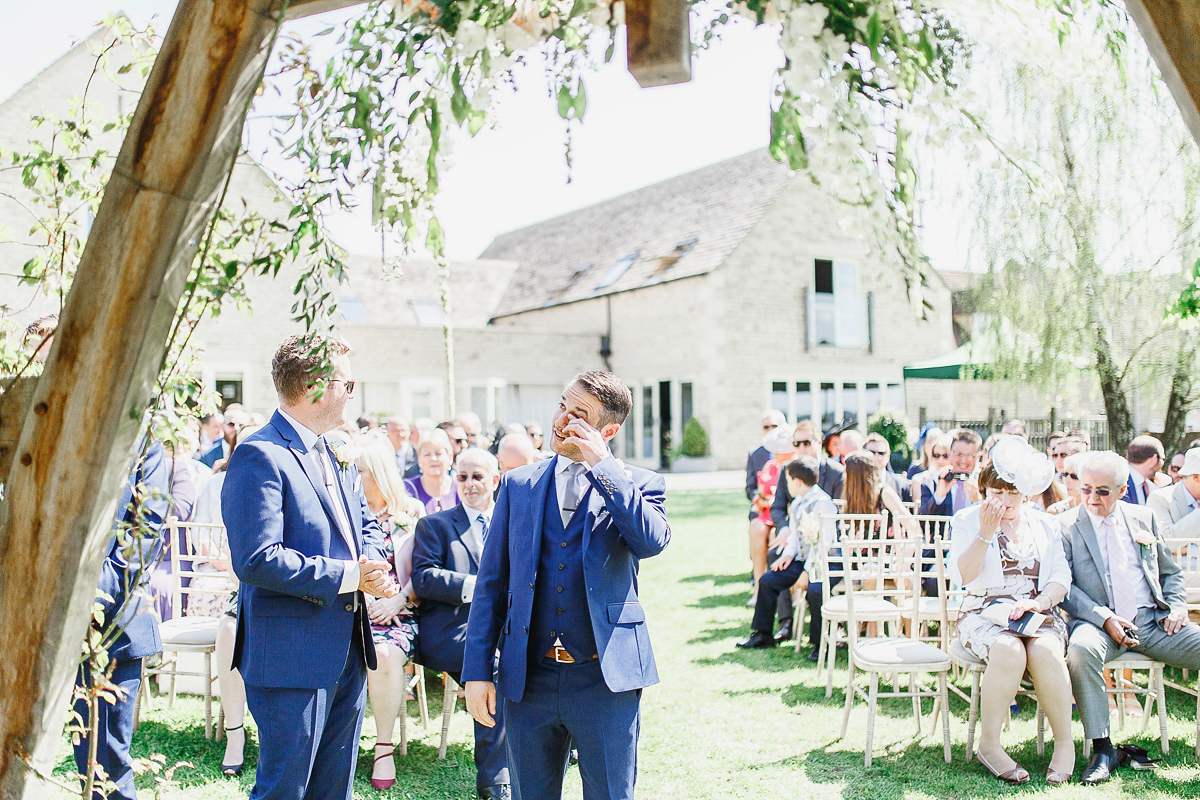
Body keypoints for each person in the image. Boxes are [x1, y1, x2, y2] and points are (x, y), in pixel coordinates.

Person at [463, 371, 670, 800]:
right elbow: (491, 584)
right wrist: (478, 672)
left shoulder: (640, 484)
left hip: (604, 677)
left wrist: (605, 467)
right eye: (562, 405)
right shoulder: (519, 485)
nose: (561, 420)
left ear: (608, 430)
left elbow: (650, 541)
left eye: (579, 415)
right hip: (529, 677)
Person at [222, 335, 398, 800]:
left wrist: (373, 561)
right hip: (290, 655)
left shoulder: (334, 451)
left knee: (331, 789)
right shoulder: (260, 454)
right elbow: (257, 559)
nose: (353, 393)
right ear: (317, 387)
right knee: (285, 789)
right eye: (349, 383)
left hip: (348, 649)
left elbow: (363, 522)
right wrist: (348, 577)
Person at [1060, 450, 1200, 784]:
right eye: (1086, 489)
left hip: (1153, 621)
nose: (1093, 498)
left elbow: (1170, 573)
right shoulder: (1065, 526)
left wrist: (1178, 606)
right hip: (1098, 624)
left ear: (1123, 490)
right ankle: (1102, 747)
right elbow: (1064, 587)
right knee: (1079, 652)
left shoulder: (1143, 518)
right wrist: (1105, 618)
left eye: (1103, 491)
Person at [948, 441, 1073, 785]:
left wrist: (1040, 602)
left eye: (1012, 493)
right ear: (984, 489)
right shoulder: (966, 520)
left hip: (1036, 611)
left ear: (1027, 494)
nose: (1003, 500)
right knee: (1008, 648)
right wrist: (985, 534)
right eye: (996, 491)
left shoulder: (1045, 525)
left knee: (1046, 650)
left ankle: (1065, 744)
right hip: (982, 610)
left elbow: (1061, 577)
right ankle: (989, 744)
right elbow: (963, 577)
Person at [73, 437, 171, 800]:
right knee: (79, 752)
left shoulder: (144, 442)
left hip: (113, 618)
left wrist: (92, 593)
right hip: (40, 619)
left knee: (107, 756)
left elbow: (146, 530)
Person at [411, 448, 510, 799]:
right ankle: (496, 781)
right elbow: (422, 578)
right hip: (453, 631)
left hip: (507, 630)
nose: (469, 484)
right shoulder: (435, 525)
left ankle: (557, 748)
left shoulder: (512, 523)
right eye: (463, 477)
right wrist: (477, 586)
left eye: (478, 477)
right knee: (492, 669)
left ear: (495, 480)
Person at [737, 456, 836, 656]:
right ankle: (763, 634)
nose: (786, 485)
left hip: (825, 562)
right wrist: (787, 556)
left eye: (788, 480)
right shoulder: (798, 503)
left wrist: (807, 571)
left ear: (797, 482)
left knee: (815, 591)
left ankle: (819, 644)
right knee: (768, 580)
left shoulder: (823, 504)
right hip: (804, 559)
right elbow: (794, 535)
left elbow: (824, 543)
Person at [748, 428, 795, 604]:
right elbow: (760, 491)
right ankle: (759, 587)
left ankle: (785, 592)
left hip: (786, 514)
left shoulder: (795, 467)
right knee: (756, 527)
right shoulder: (769, 466)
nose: (776, 452)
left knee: (777, 535)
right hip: (767, 512)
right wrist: (760, 500)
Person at [919, 428, 982, 515]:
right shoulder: (933, 481)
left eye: (970, 455)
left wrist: (978, 501)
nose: (964, 460)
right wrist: (938, 497)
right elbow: (922, 522)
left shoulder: (985, 483)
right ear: (950, 453)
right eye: (958, 454)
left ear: (978, 457)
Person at [405, 428, 460, 514]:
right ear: (419, 460)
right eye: (427, 454)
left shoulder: (460, 489)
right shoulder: (407, 488)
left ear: (450, 457)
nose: (433, 459)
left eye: (438, 454)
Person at [746, 410, 787, 517]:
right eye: (766, 427)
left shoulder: (791, 451)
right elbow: (750, 486)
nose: (770, 430)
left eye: (774, 426)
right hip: (762, 505)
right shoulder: (754, 454)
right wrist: (758, 498)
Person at [1124, 435, 1169, 505]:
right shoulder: (1119, 482)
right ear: (1154, 459)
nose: (1162, 463)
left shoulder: (1150, 486)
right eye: (1162, 459)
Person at [864, 432, 908, 500]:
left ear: (888, 456)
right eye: (871, 452)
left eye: (881, 453)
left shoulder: (901, 484)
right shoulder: (855, 481)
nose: (876, 456)